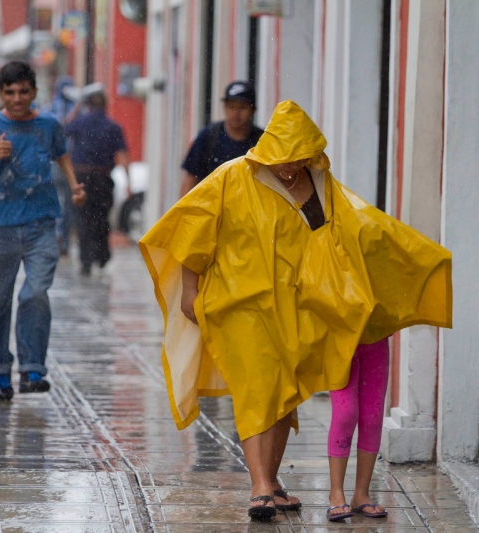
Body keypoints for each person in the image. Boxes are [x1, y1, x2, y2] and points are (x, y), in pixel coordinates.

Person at [139, 100, 453, 521]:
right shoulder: (232, 177)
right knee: (256, 388)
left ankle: (272, 483)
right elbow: (191, 229)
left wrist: (415, 259)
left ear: (311, 154)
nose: (289, 169)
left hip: (296, 307)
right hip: (239, 303)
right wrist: (190, 290)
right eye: (281, 160)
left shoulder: (323, 185)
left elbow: (364, 229)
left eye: (298, 160)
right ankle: (258, 487)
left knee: (284, 394)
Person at [0, 61, 86, 401]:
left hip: (41, 224)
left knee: (35, 293)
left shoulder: (49, 125)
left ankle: (32, 368)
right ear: (0, 93)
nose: (17, 98)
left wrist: (75, 186)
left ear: (34, 93)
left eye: (23, 92)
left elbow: (61, 155)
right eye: (10, 92)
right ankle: (1, 371)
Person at [64, 91, 129, 275]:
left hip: (82, 177)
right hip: (103, 177)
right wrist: (129, 181)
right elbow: (123, 154)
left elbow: (64, 128)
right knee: (101, 217)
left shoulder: (80, 123)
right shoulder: (113, 127)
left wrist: (77, 108)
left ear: (88, 105)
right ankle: (101, 256)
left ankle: (86, 260)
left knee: (83, 218)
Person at [326, 339, 390, 521]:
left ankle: (361, 493)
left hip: (376, 334)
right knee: (345, 414)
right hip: (340, 335)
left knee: (373, 419)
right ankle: (336, 493)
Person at [179, 81, 264, 197]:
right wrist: (184, 213)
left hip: (249, 212)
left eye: (243, 107)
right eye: (231, 106)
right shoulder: (208, 136)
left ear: (253, 110)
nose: (236, 113)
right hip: (211, 209)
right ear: (225, 107)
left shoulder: (262, 141)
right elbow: (190, 179)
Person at [45, 76, 77, 255]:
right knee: (63, 203)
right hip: (62, 162)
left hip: (61, 162)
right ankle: (59, 239)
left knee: (61, 203)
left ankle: (60, 239)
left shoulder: (52, 108)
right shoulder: (63, 109)